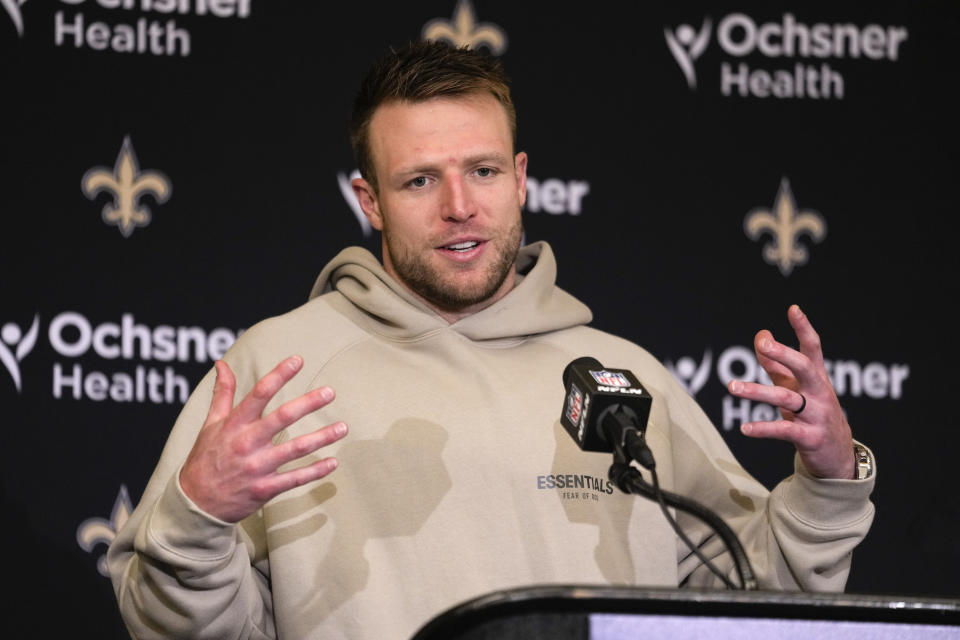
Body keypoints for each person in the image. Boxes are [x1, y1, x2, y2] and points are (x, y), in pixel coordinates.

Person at [107, 40, 875, 640]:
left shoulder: (625, 376)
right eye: (419, 181)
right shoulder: (274, 369)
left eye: (481, 171)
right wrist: (196, 516)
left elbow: (754, 600)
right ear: (368, 201)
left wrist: (829, 481)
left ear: (521, 177)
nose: (459, 206)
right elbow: (171, 626)